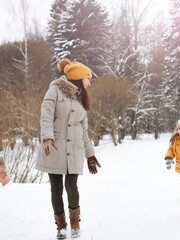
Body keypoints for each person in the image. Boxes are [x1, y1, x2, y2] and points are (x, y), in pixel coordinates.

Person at [35, 58, 101, 239]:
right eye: (88, 78)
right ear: (79, 78)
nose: (89, 82)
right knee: (56, 188)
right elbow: (46, 115)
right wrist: (47, 137)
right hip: (55, 146)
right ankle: (61, 226)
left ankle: (75, 224)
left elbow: (83, 130)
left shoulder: (81, 98)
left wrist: (90, 155)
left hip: (75, 148)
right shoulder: (54, 90)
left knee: (72, 186)